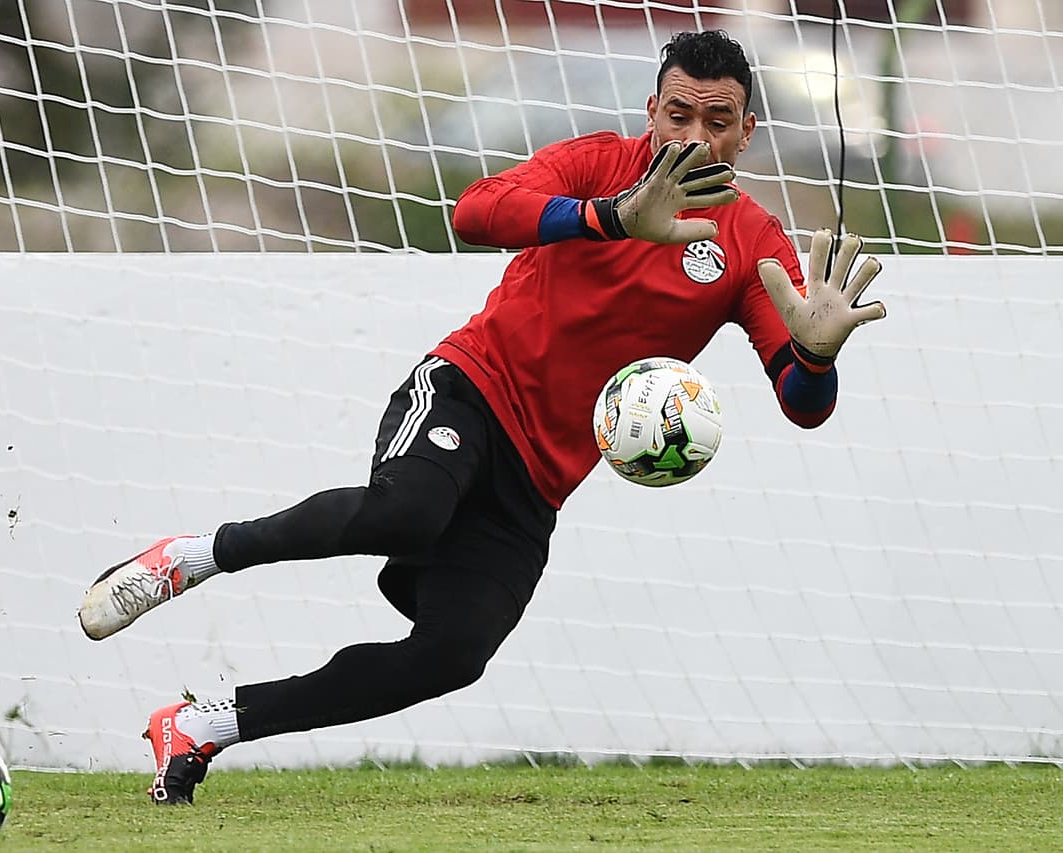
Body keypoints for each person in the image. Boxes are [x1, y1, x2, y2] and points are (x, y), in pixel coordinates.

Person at [77, 29, 887, 804]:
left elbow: (802, 402)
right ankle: (189, 558)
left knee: (453, 653)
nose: (696, 137)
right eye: (680, 116)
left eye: (718, 123)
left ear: (747, 132)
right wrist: (609, 215)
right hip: (468, 387)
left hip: (537, 480)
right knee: (408, 507)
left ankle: (199, 726)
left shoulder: (751, 242)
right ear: (653, 113)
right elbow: (475, 210)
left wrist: (815, 357)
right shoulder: (597, 162)